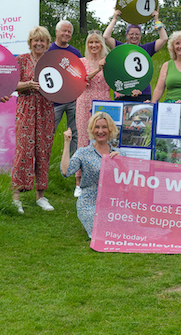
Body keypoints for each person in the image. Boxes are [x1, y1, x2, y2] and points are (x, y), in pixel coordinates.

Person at [12, 27, 56, 214]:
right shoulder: (20, 60)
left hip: (46, 109)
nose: (39, 44)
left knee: (43, 151)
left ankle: (41, 196)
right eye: (35, 40)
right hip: (26, 109)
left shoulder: (51, 62)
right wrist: (28, 84)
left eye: (42, 41)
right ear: (30, 42)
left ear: (47, 43)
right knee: (23, 151)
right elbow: (11, 84)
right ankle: (16, 197)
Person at [61, 112, 122, 238]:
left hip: (113, 204)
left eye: (104, 127)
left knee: (129, 231)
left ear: (110, 130)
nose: (100, 131)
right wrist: (67, 143)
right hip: (89, 204)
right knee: (103, 233)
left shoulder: (119, 154)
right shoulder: (83, 153)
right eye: (97, 127)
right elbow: (66, 171)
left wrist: (123, 163)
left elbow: (129, 182)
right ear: (91, 130)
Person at [73, 31, 111, 197]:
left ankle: (102, 179)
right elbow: (81, 80)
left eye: (97, 42)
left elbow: (116, 82)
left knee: (103, 139)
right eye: (91, 43)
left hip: (103, 102)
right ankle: (79, 182)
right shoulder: (81, 62)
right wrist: (98, 69)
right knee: (83, 139)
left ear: (102, 44)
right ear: (87, 45)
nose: (94, 45)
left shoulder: (108, 62)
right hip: (85, 102)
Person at [103, 9, 168, 102]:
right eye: (131, 34)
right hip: (123, 91)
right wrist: (114, 19)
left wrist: (156, 20)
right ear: (126, 35)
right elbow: (106, 37)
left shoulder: (146, 49)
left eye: (137, 34)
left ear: (141, 35)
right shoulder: (120, 48)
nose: (134, 36)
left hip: (142, 92)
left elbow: (164, 38)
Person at [49, 20, 82, 155]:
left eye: (69, 32)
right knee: (48, 132)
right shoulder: (48, 50)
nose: (66, 34)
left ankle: (73, 164)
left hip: (73, 100)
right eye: (64, 30)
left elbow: (81, 74)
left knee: (75, 133)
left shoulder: (75, 52)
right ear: (56, 32)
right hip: (53, 101)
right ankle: (43, 163)